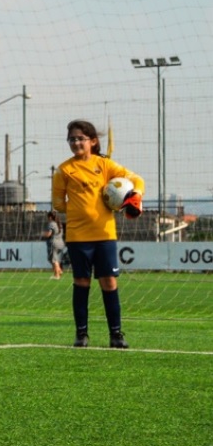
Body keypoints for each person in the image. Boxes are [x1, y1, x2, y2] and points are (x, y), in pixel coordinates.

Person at [51, 119, 143, 349]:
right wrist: (81, 207)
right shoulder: (64, 170)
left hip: (104, 235)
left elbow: (137, 180)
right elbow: (58, 204)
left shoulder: (104, 165)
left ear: (92, 141)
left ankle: (116, 335)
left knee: (109, 283)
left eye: (80, 138)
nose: (75, 142)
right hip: (78, 237)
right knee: (81, 283)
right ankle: (81, 335)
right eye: (71, 139)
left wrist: (135, 195)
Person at [42, 210, 66, 280]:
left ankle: (58, 274)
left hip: (54, 243)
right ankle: (57, 272)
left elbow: (49, 233)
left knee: (53, 259)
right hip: (61, 243)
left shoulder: (51, 224)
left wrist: (43, 234)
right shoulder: (59, 224)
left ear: (50, 217)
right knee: (55, 259)